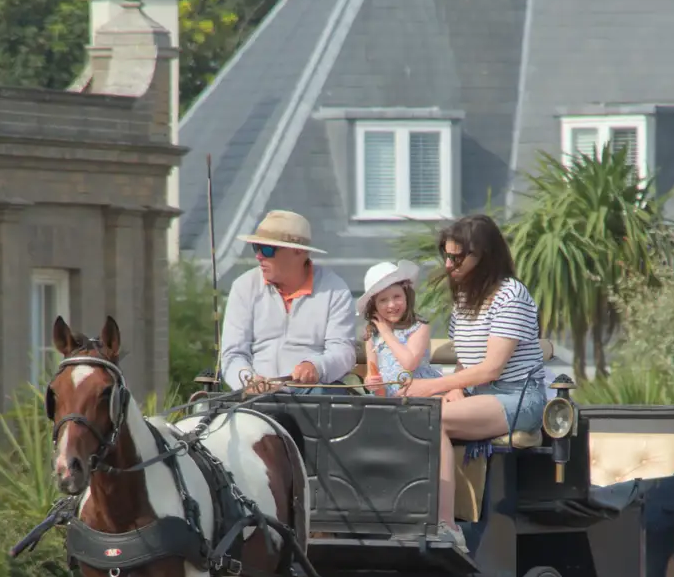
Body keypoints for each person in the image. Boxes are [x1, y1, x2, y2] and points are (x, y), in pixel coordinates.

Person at [399, 215, 547, 549]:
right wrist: (453, 388)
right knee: (402, 415)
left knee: (430, 418)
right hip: (480, 395)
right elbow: (467, 362)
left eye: (457, 258)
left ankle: (447, 527)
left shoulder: (512, 295)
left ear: (484, 255)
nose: (449, 265)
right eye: (446, 256)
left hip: (518, 398)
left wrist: (431, 387)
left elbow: (491, 368)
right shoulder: (465, 297)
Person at [220, 210, 356, 395]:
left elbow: (343, 352)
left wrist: (316, 366)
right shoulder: (243, 287)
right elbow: (232, 355)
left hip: (313, 393)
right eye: (256, 247)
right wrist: (248, 380)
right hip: (256, 393)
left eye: (267, 249)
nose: (259, 256)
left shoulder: (335, 290)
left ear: (298, 252)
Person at [358, 260, 440, 396]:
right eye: (383, 300)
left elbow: (409, 363)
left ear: (407, 296)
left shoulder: (419, 327)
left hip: (418, 395)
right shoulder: (372, 334)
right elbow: (372, 371)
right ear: (374, 306)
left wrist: (386, 332)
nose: (392, 305)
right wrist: (371, 382)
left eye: (397, 297)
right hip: (387, 398)